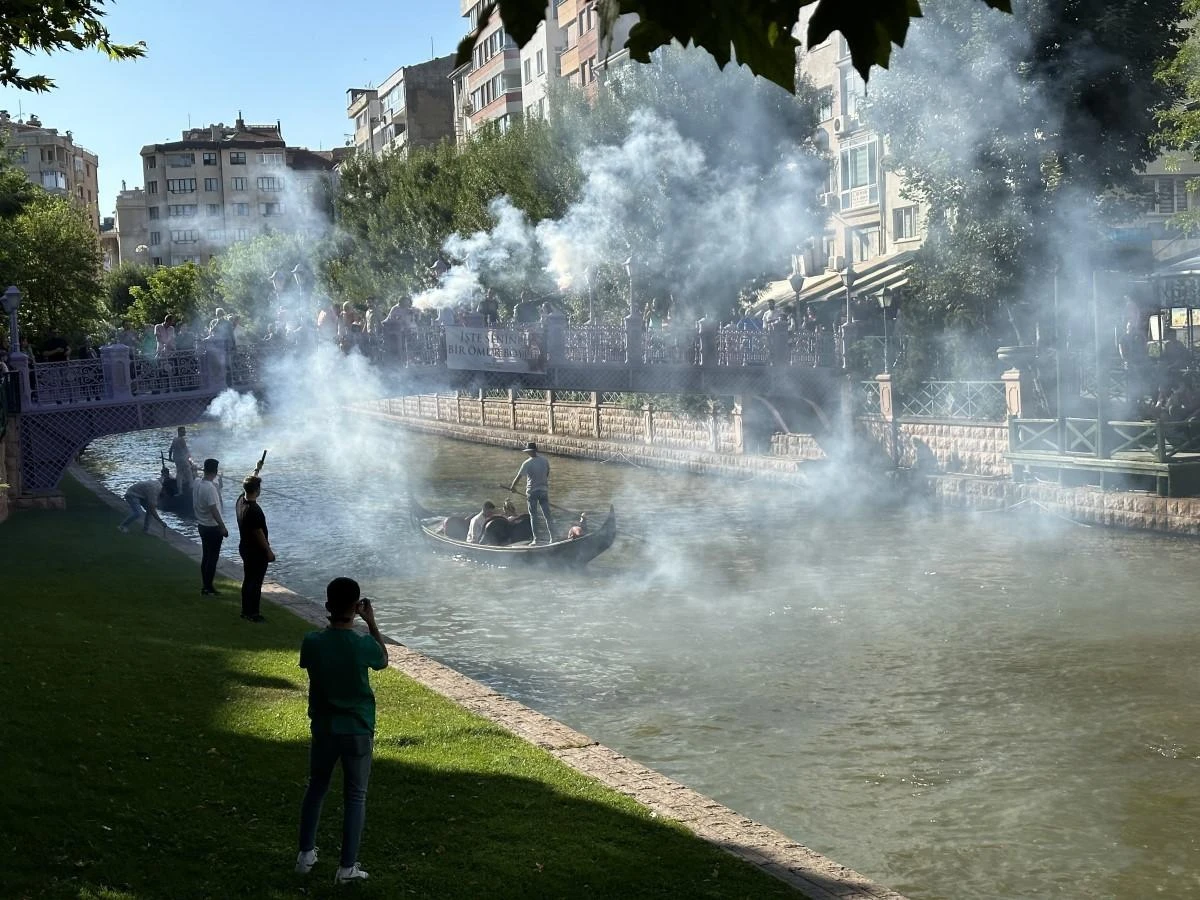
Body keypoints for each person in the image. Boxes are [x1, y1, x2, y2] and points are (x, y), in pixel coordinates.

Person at [295, 577, 388, 884]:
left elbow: (308, 663)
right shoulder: (362, 644)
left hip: (324, 727)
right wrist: (371, 623)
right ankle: (347, 867)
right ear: (355, 607)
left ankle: (305, 855)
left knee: (316, 788)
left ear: (327, 606)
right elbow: (383, 660)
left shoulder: (313, 642)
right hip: (358, 728)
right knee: (355, 796)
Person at [235, 474, 275, 623]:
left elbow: (247, 483)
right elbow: (259, 533)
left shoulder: (240, 501)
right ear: (257, 490)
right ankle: (253, 613)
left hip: (244, 547)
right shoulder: (254, 510)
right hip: (256, 551)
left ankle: (245, 610)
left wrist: (256, 470)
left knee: (248, 580)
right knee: (256, 583)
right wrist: (268, 551)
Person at [193, 458, 228, 596]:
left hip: (202, 525)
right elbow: (214, 510)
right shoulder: (210, 488)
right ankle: (208, 588)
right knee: (212, 558)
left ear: (204, 469)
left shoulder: (197, 483)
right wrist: (223, 527)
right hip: (212, 527)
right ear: (216, 471)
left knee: (206, 557)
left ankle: (206, 586)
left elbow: (195, 476)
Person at [508, 441, 552, 543]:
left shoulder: (527, 463)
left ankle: (536, 539)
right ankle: (553, 537)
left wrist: (512, 487)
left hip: (532, 492)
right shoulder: (545, 460)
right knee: (547, 515)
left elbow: (518, 477)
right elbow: (547, 473)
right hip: (543, 490)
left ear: (529, 452)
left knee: (534, 516)